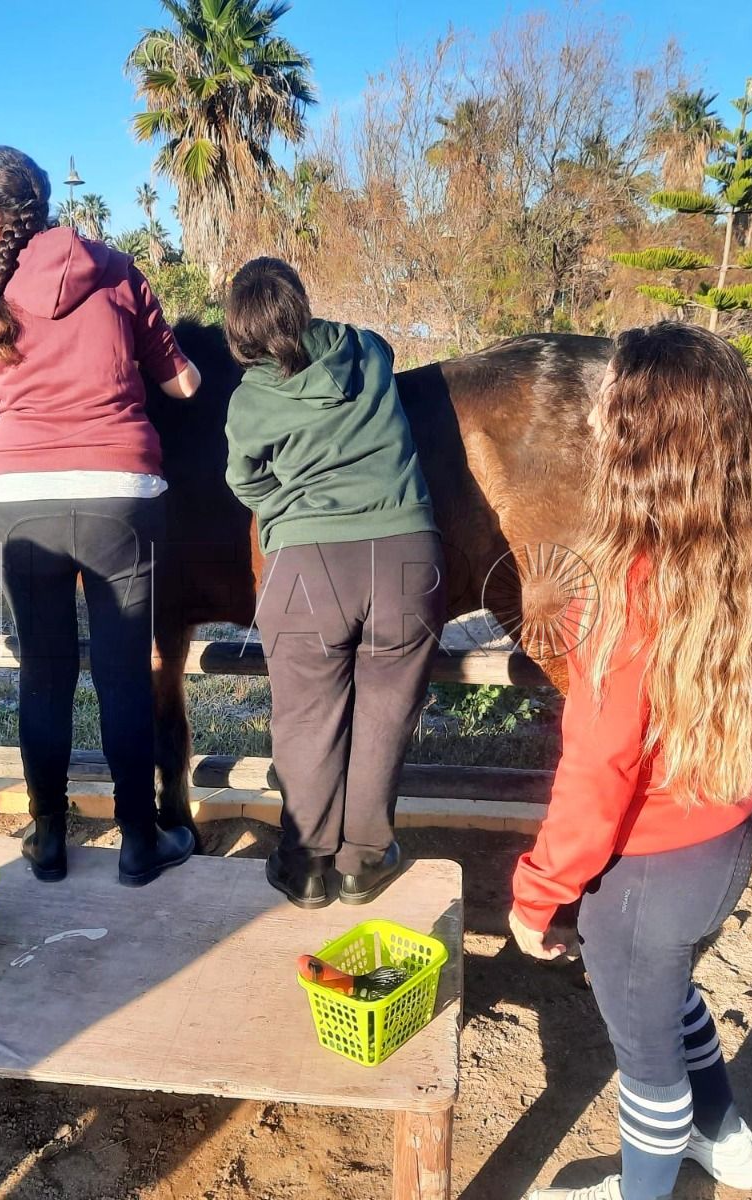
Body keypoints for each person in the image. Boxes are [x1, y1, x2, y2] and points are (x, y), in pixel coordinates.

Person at [512, 322, 752, 1200]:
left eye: (609, 404)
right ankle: (727, 1141)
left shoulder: (621, 584)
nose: (594, 419)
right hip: (724, 835)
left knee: (645, 1060)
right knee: (666, 996)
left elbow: (599, 772)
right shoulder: (741, 556)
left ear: (640, 436)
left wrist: (537, 893)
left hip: (649, 871)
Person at [0, 146, 203, 887]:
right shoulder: (117, 271)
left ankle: (50, 839)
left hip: (19, 496)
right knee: (124, 673)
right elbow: (183, 386)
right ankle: (139, 841)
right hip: (120, 490)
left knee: (45, 672)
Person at [222, 257, 445, 910]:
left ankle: (305, 867)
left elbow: (243, 480)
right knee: (387, 712)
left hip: (307, 567)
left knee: (305, 717)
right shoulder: (366, 350)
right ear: (301, 303)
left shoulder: (250, 398)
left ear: (240, 332)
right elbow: (381, 350)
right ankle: (363, 863)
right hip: (407, 556)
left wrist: (288, 510)